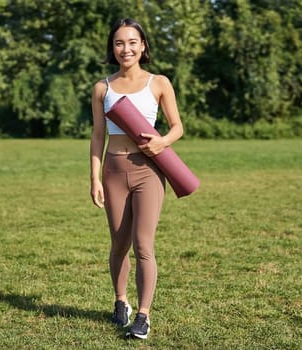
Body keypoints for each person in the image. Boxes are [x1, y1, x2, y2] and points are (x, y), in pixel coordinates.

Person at [89, 18, 183, 340]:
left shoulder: (158, 83)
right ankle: (120, 301)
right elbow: (97, 135)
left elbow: (177, 127)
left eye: (132, 42)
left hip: (149, 171)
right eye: (119, 43)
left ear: (143, 46)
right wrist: (94, 178)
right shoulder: (103, 88)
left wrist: (162, 142)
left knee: (144, 246)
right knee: (119, 245)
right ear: (112, 48)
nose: (125, 48)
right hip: (113, 171)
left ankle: (142, 316)